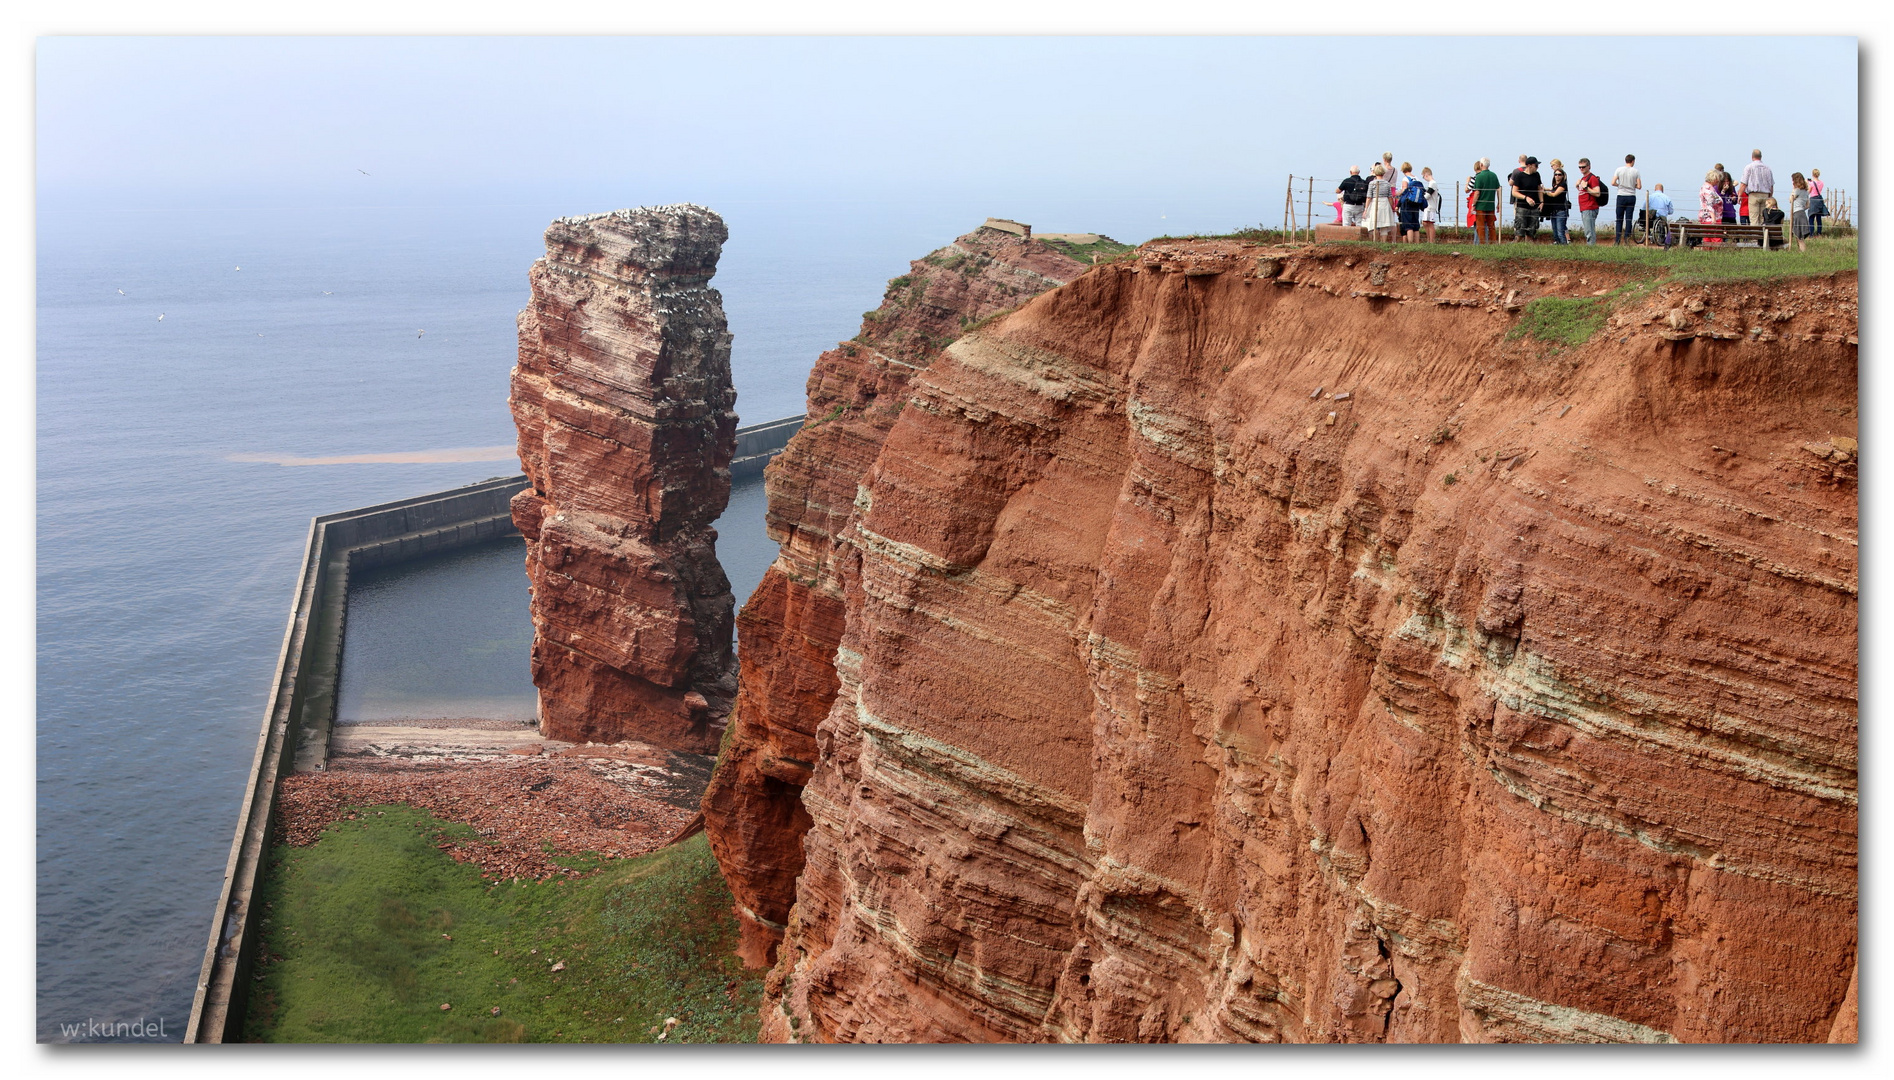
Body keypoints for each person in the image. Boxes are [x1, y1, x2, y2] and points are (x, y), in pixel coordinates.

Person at [1510, 156, 1544, 241]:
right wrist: (1526, 198)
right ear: (1529, 165)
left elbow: (1539, 188)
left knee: (1531, 233)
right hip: (1522, 207)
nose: (1537, 167)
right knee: (1519, 233)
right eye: (1536, 165)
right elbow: (1514, 192)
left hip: (1534, 207)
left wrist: (1542, 202)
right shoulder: (1519, 176)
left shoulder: (1537, 175)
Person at [1575, 158, 1608, 244]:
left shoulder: (1592, 178)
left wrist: (1586, 187)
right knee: (1587, 230)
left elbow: (1597, 193)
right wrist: (1578, 186)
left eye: (1583, 167)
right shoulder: (1584, 178)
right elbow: (1583, 192)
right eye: (1580, 167)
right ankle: (1590, 247)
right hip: (1584, 207)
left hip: (1590, 207)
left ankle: (1591, 248)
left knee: (1589, 231)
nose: (1581, 169)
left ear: (1589, 167)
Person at [1611, 154, 1641, 244]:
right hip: (1631, 195)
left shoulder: (1619, 170)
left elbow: (1613, 182)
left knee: (1619, 219)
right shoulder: (1636, 171)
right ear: (1633, 161)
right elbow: (1639, 186)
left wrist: (1619, 185)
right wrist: (1632, 185)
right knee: (1629, 219)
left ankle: (1617, 240)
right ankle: (1627, 239)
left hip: (1621, 195)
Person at [1741, 149, 1774, 229]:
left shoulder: (1749, 167)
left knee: (1754, 218)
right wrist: (1770, 196)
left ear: (1752, 157)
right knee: (1763, 217)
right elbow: (1771, 185)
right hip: (1765, 194)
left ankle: (1755, 238)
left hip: (1754, 194)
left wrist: (1739, 195)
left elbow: (1743, 183)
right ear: (1761, 157)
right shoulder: (1768, 168)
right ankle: (1763, 237)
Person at [1470, 158, 1500, 244]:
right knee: (1491, 226)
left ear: (1481, 165)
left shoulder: (1479, 176)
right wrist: (1499, 203)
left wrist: (1473, 205)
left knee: (1480, 226)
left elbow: (1477, 192)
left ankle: (1482, 244)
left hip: (1481, 205)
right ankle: (1494, 243)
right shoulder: (1494, 175)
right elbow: (1498, 189)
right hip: (1491, 205)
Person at [1364, 163, 1395, 241]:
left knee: (1373, 224)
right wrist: (1392, 207)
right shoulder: (1387, 184)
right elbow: (1390, 197)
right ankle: (1383, 243)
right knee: (1384, 225)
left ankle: (1375, 241)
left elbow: (1369, 197)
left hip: (1375, 202)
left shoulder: (1372, 183)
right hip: (1385, 203)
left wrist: (1366, 209)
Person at [1543, 158, 1571, 245]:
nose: (1557, 176)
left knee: (1560, 231)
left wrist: (1545, 193)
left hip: (1560, 209)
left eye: (1559, 175)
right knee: (1556, 231)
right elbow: (1553, 189)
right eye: (1556, 175)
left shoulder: (1563, 184)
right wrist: (1545, 189)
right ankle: (1560, 243)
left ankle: (1565, 244)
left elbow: (1554, 194)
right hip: (1554, 209)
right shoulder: (1556, 184)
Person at [1396, 162, 1422, 242]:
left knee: (1408, 225)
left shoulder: (1405, 179)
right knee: (1415, 225)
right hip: (1416, 203)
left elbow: (1404, 191)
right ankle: (1417, 243)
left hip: (1407, 204)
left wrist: (1397, 194)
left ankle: (1410, 244)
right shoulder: (1417, 178)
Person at [1788, 172, 1812, 252]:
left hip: (1797, 213)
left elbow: (1791, 200)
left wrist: (1792, 191)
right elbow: (1808, 205)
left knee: (1799, 237)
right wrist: (1801, 208)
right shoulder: (1806, 192)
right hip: (1802, 213)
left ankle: (1803, 252)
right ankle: (1800, 251)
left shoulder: (1797, 190)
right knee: (1798, 236)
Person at [1646, 183, 1674, 247]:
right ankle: (1661, 238)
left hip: (1650, 218)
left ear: (1655, 189)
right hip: (1661, 218)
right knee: (1662, 222)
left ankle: (1649, 235)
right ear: (1662, 190)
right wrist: (1666, 212)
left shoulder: (1649, 197)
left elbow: (1644, 208)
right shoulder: (1666, 198)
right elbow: (1671, 211)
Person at [1420, 166, 1442, 243]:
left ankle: (1431, 240)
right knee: (1426, 222)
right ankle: (1429, 240)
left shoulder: (1432, 183)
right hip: (1429, 206)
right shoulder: (1432, 183)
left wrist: (1421, 196)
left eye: (1423, 177)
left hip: (1430, 206)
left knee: (1429, 223)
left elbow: (1427, 195)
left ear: (1426, 175)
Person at [1808, 168, 1827, 234]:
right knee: (1818, 218)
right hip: (1819, 199)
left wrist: (1807, 183)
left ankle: (1811, 233)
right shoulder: (1821, 183)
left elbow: (1809, 191)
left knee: (1811, 217)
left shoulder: (1811, 183)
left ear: (1812, 174)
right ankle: (1819, 233)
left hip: (1813, 200)